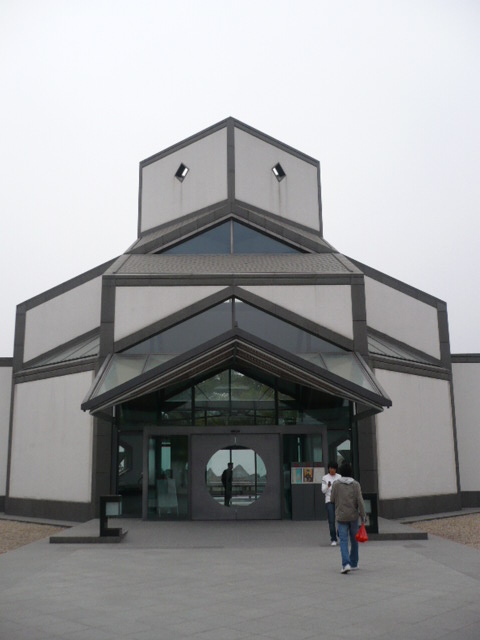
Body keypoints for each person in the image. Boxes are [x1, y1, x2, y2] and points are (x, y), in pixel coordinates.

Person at [330, 462, 366, 574]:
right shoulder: (355, 484)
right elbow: (360, 501)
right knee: (354, 540)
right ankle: (354, 562)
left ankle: (346, 564)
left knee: (343, 540)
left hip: (341, 516)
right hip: (353, 516)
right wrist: (363, 515)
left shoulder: (336, 484)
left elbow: (332, 499)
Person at [321, 461, 342, 545]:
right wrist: (328, 486)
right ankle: (333, 539)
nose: (332, 470)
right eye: (330, 468)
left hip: (338, 500)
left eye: (333, 468)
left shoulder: (339, 477)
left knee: (340, 519)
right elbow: (323, 490)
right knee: (331, 520)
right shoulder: (325, 477)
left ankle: (340, 533)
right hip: (329, 500)